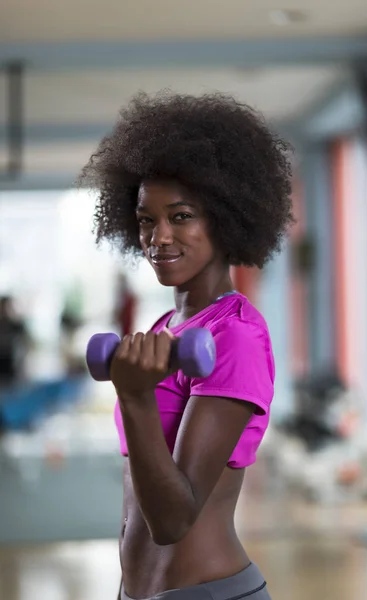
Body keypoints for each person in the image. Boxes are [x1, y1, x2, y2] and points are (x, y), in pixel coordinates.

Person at [79, 91, 293, 600]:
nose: (158, 238)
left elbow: (174, 520)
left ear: (224, 216)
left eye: (180, 216)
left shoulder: (233, 336)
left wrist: (133, 397)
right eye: (147, 219)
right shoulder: (163, 329)